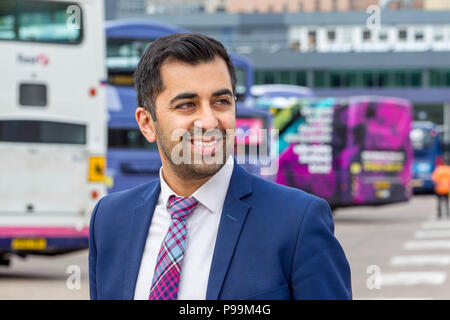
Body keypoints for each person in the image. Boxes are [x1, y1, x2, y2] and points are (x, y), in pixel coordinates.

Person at [88, 33, 352, 300]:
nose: (209, 121)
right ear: (146, 123)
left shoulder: (298, 222)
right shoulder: (109, 220)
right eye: (187, 105)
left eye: (221, 102)